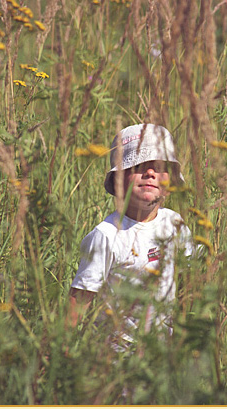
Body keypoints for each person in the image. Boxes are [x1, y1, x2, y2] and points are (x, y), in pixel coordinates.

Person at [67, 123, 193, 347]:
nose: (150, 173)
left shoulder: (175, 224)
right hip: (118, 362)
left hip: (163, 358)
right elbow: (80, 301)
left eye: (159, 166)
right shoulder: (106, 236)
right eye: (138, 166)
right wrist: (61, 351)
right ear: (118, 180)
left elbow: (188, 283)